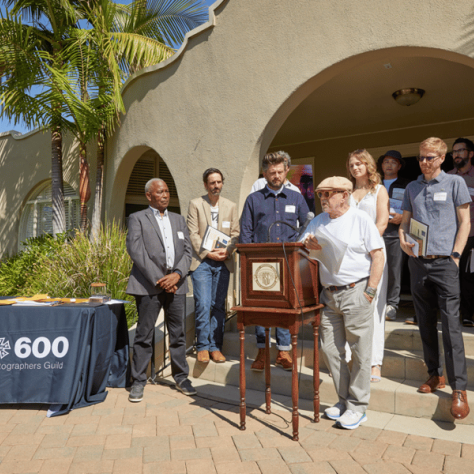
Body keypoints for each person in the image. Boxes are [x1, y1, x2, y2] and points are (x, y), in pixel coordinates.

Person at [302, 176, 384, 429]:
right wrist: (307, 243)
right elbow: (301, 248)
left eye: (328, 194)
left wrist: (369, 291)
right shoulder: (318, 220)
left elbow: (377, 255)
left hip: (356, 291)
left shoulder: (360, 219)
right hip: (329, 294)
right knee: (329, 349)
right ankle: (343, 400)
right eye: (320, 195)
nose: (323, 199)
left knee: (360, 351)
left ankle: (358, 406)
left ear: (344, 195)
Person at [399, 137, 471, 420]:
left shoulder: (455, 184)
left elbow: (465, 221)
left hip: (445, 263)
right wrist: (404, 240)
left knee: (452, 328)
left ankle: (459, 389)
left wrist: (455, 256)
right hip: (418, 263)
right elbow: (405, 221)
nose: (424, 162)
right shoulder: (412, 187)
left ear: (442, 158)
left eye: (430, 157)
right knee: (425, 323)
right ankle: (434, 375)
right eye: (421, 157)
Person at [126, 178, 195, 402]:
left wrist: (176, 275)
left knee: (178, 334)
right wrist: (160, 279)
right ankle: (138, 381)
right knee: (144, 335)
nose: (165, 195)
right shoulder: (137, 218)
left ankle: (181, 377)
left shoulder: (178, 219)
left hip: (177, 284)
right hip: (149, 285)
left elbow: (187, 251)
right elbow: (136, 251)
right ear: (149, 196)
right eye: (160, 192)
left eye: (167, 191)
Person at [240, 151, 310, 371]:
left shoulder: (296, 197)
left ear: (286, 171)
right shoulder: (254, 199)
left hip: (288, 262)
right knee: (262, 308)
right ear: (264, 173)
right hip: (261, 264)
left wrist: (296, 249)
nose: (276, 176)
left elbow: (307, 226)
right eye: (272, 173)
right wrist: (249, 261)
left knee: (285, 307)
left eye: (280, 172)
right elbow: (246, 232)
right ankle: (262, 351)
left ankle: (283, 351)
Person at [187, 168, 239, 363]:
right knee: (203, 303)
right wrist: (208, 253)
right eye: (212, 183)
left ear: (222, 183)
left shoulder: (231, 206)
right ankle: (202, 346)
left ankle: (215, 347)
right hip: (202, 262)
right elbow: (193, 234)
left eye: (218, 182)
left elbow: (235, 233)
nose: (216, 186)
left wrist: (228, 251)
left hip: (223, 261)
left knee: (219, 305)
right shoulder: (196, 204)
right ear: (205, 185)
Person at [347, 149, 389, 383]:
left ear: (369, 165)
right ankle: (353, 358)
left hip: (373, 255)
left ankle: (374, 363)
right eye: (352, 164)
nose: (355, 168)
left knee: (373, 310)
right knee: (353, 309)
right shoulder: (348, 193)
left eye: (360, 163)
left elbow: (382, 223)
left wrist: (364, 243)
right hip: (351, 257)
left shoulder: (379, 190)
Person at [377, 150, 411, 323]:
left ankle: (392, 305)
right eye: (386, 161)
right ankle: (376, 302)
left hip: (396, 234)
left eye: (393, 162)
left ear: (399, 166)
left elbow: (414, 207)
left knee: (394, 270)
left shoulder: (407, 184)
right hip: (376, 233)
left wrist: (404, 218)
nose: (389, 165)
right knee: (374, 268)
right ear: (381, 166)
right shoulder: (374, 184)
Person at [448, 138, 474, 327]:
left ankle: (467, 314)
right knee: (449, 275)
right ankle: (450, 313)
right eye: (454, 151)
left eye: (460, 150)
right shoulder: (447, 177)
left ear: (470, 154)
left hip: (472, 236)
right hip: (450, 236)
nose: (456, 154)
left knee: (469, 276)